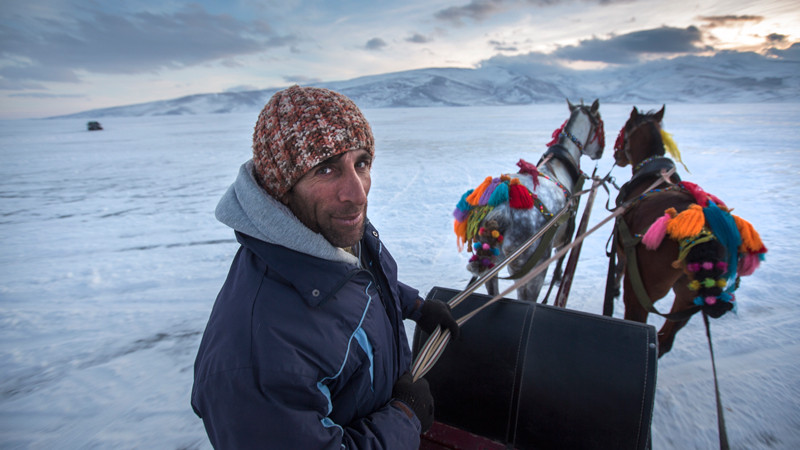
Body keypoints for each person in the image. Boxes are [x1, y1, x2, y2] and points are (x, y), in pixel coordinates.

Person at [191, 85, 460, 449]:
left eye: (361, 163)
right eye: (326, 169)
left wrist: (413, 305)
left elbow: (359, 283)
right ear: (280, 189)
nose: (358, 193)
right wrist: (404, 416)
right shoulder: (256, 358)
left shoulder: (331, 235)